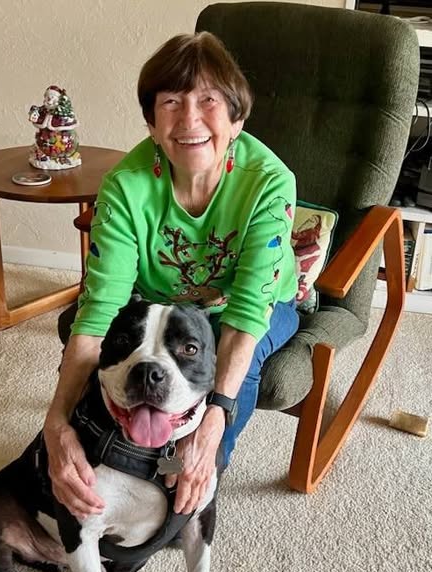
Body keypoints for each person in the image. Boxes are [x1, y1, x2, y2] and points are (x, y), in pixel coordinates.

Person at [43, 32, 300, 522]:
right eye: (171, 103)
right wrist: (55, 423)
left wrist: (213, 423)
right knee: (85, 327)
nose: (190, 120)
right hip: (158, 301)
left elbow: (247, 315)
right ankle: (108, 458)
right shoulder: (124, 187)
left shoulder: (270, 182)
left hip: (252, 307)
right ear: (151, 122)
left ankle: (199, 482)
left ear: (237, 119)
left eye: (209, 101)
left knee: (228, 366)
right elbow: (97, 315)